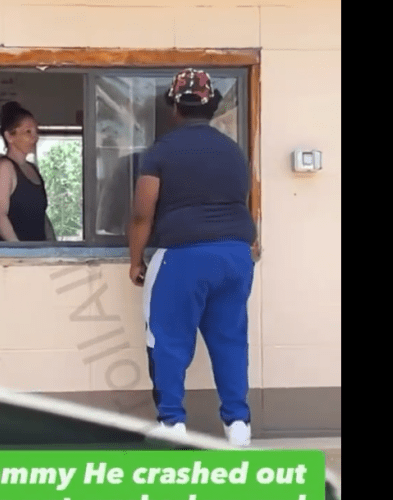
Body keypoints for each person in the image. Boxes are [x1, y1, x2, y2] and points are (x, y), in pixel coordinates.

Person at [127, 68, 257, 446]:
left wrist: (135, 260)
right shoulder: (234, 151)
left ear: (173, 108)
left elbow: (141, 213)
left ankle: (172, 424)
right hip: (235, 256)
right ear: (212, 107)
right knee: (230, 340)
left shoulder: (162, 151)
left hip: (183, 256)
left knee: (167, 340)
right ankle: (238, 426)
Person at [0, 101, 55, 242]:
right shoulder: (4, 167)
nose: (35, 137)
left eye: (37, 132)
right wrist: (20, 251)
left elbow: (41, 215)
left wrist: (52, 244)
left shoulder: (33, 169)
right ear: (9, 136)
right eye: (28, 132)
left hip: (36, 254)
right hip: (12, 257)